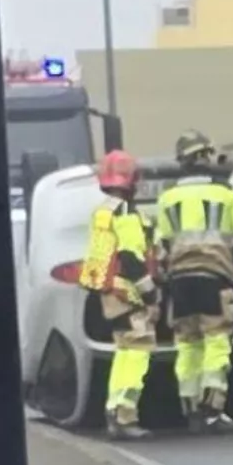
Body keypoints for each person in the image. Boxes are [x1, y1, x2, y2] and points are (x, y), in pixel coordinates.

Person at [155, 130, 233, 432]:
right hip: (215, 277)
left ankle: (191, 408)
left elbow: (163, 243)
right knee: (216, 342)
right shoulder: (228, 195)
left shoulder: (167, 198)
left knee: (187, 344)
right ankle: (213, 409)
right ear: (205, 157)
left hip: (180, 281)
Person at [79, 150, 158, 440]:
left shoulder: (103, 210)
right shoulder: (125, 212)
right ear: (132, 180)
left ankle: (116, 412)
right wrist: (150, 292)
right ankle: (124, 416)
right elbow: (130, 254)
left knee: (124, 352)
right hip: (128, 291)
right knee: (136, 355)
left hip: (110, 291)